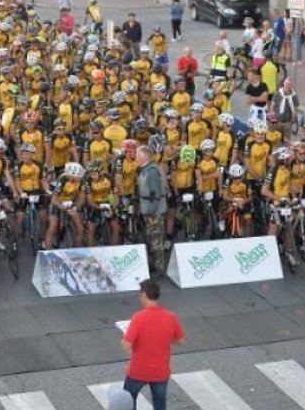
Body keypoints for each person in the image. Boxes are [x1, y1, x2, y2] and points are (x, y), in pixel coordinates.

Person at [122, 279, 185, 410]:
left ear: (144, 295)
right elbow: (181, 341)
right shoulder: (171, 317)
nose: (139, 297)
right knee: (160, 405)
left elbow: (126, 345)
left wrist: (126, 338)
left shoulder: (138, 317)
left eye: (139, 295)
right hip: (161, 372)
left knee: (126, 402)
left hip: (138, 371)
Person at [137, 145, 167, 278]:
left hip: (153, 212)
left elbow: (156, 193)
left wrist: (151, 211)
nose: (136, 158)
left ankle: (159, 269)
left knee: (156, 241)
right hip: (148, 210)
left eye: (138, 155)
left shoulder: (152, 171)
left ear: (143, 156)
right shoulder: (146, 169)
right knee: (150, 239)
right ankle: (154, 265)